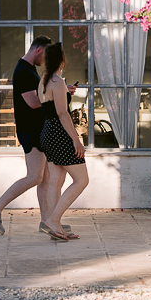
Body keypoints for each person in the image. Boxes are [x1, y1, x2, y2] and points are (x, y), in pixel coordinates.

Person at [0, 35, 72, 236]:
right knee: (35, 176)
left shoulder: (29, 70)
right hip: (30, 131)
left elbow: (38, 97)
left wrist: (62, 91)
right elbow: (32, 102)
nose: (46, 61)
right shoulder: (23, 71)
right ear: (39, 50)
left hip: (36, 130)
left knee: (45, 178)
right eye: (45, 55)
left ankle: (47, 221)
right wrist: (59, 93)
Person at [36, 42, 89, 241]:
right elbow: (62, 112)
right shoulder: (57, 82)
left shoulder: (43, 81)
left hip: (48, 133)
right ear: (61, 60)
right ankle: (53, 220)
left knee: (56, 182)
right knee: (82, 180)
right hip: (60, 134)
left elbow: (51, 104)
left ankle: (54, 226)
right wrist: (76, 140)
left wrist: (65, 91)